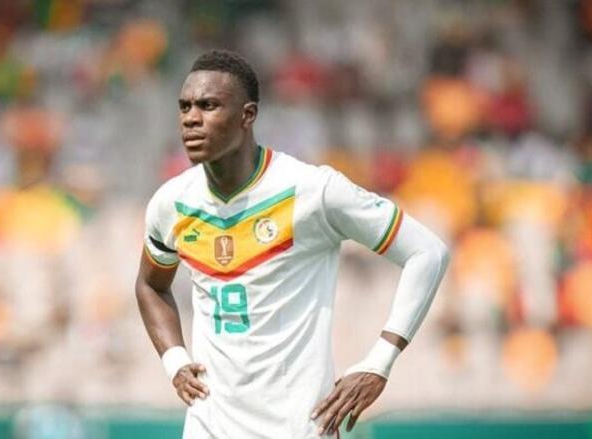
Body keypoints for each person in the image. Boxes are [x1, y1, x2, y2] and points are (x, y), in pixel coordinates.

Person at [135, 50, 449, 438]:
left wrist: (380, 360)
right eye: (185, 107)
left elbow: (427, 252)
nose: (190, 118)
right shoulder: (172, 202)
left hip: (297, 428)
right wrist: (175, 360)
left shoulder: (313, 191)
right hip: (209, 426)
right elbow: (150, 285)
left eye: (208, 105)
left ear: (247, 115)